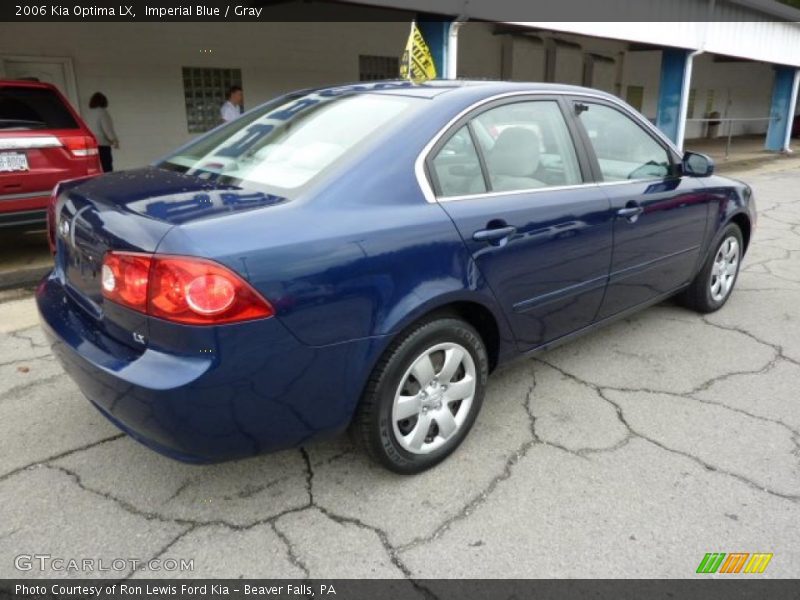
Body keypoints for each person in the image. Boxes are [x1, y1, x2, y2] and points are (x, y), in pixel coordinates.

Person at [87, 92, 119, 173]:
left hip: (90, 144)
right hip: (102, 144)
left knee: (96, 168)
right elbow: (107, 129)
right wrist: (114, 141)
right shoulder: (103, 112)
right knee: (106, 167)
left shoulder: (89, 113)